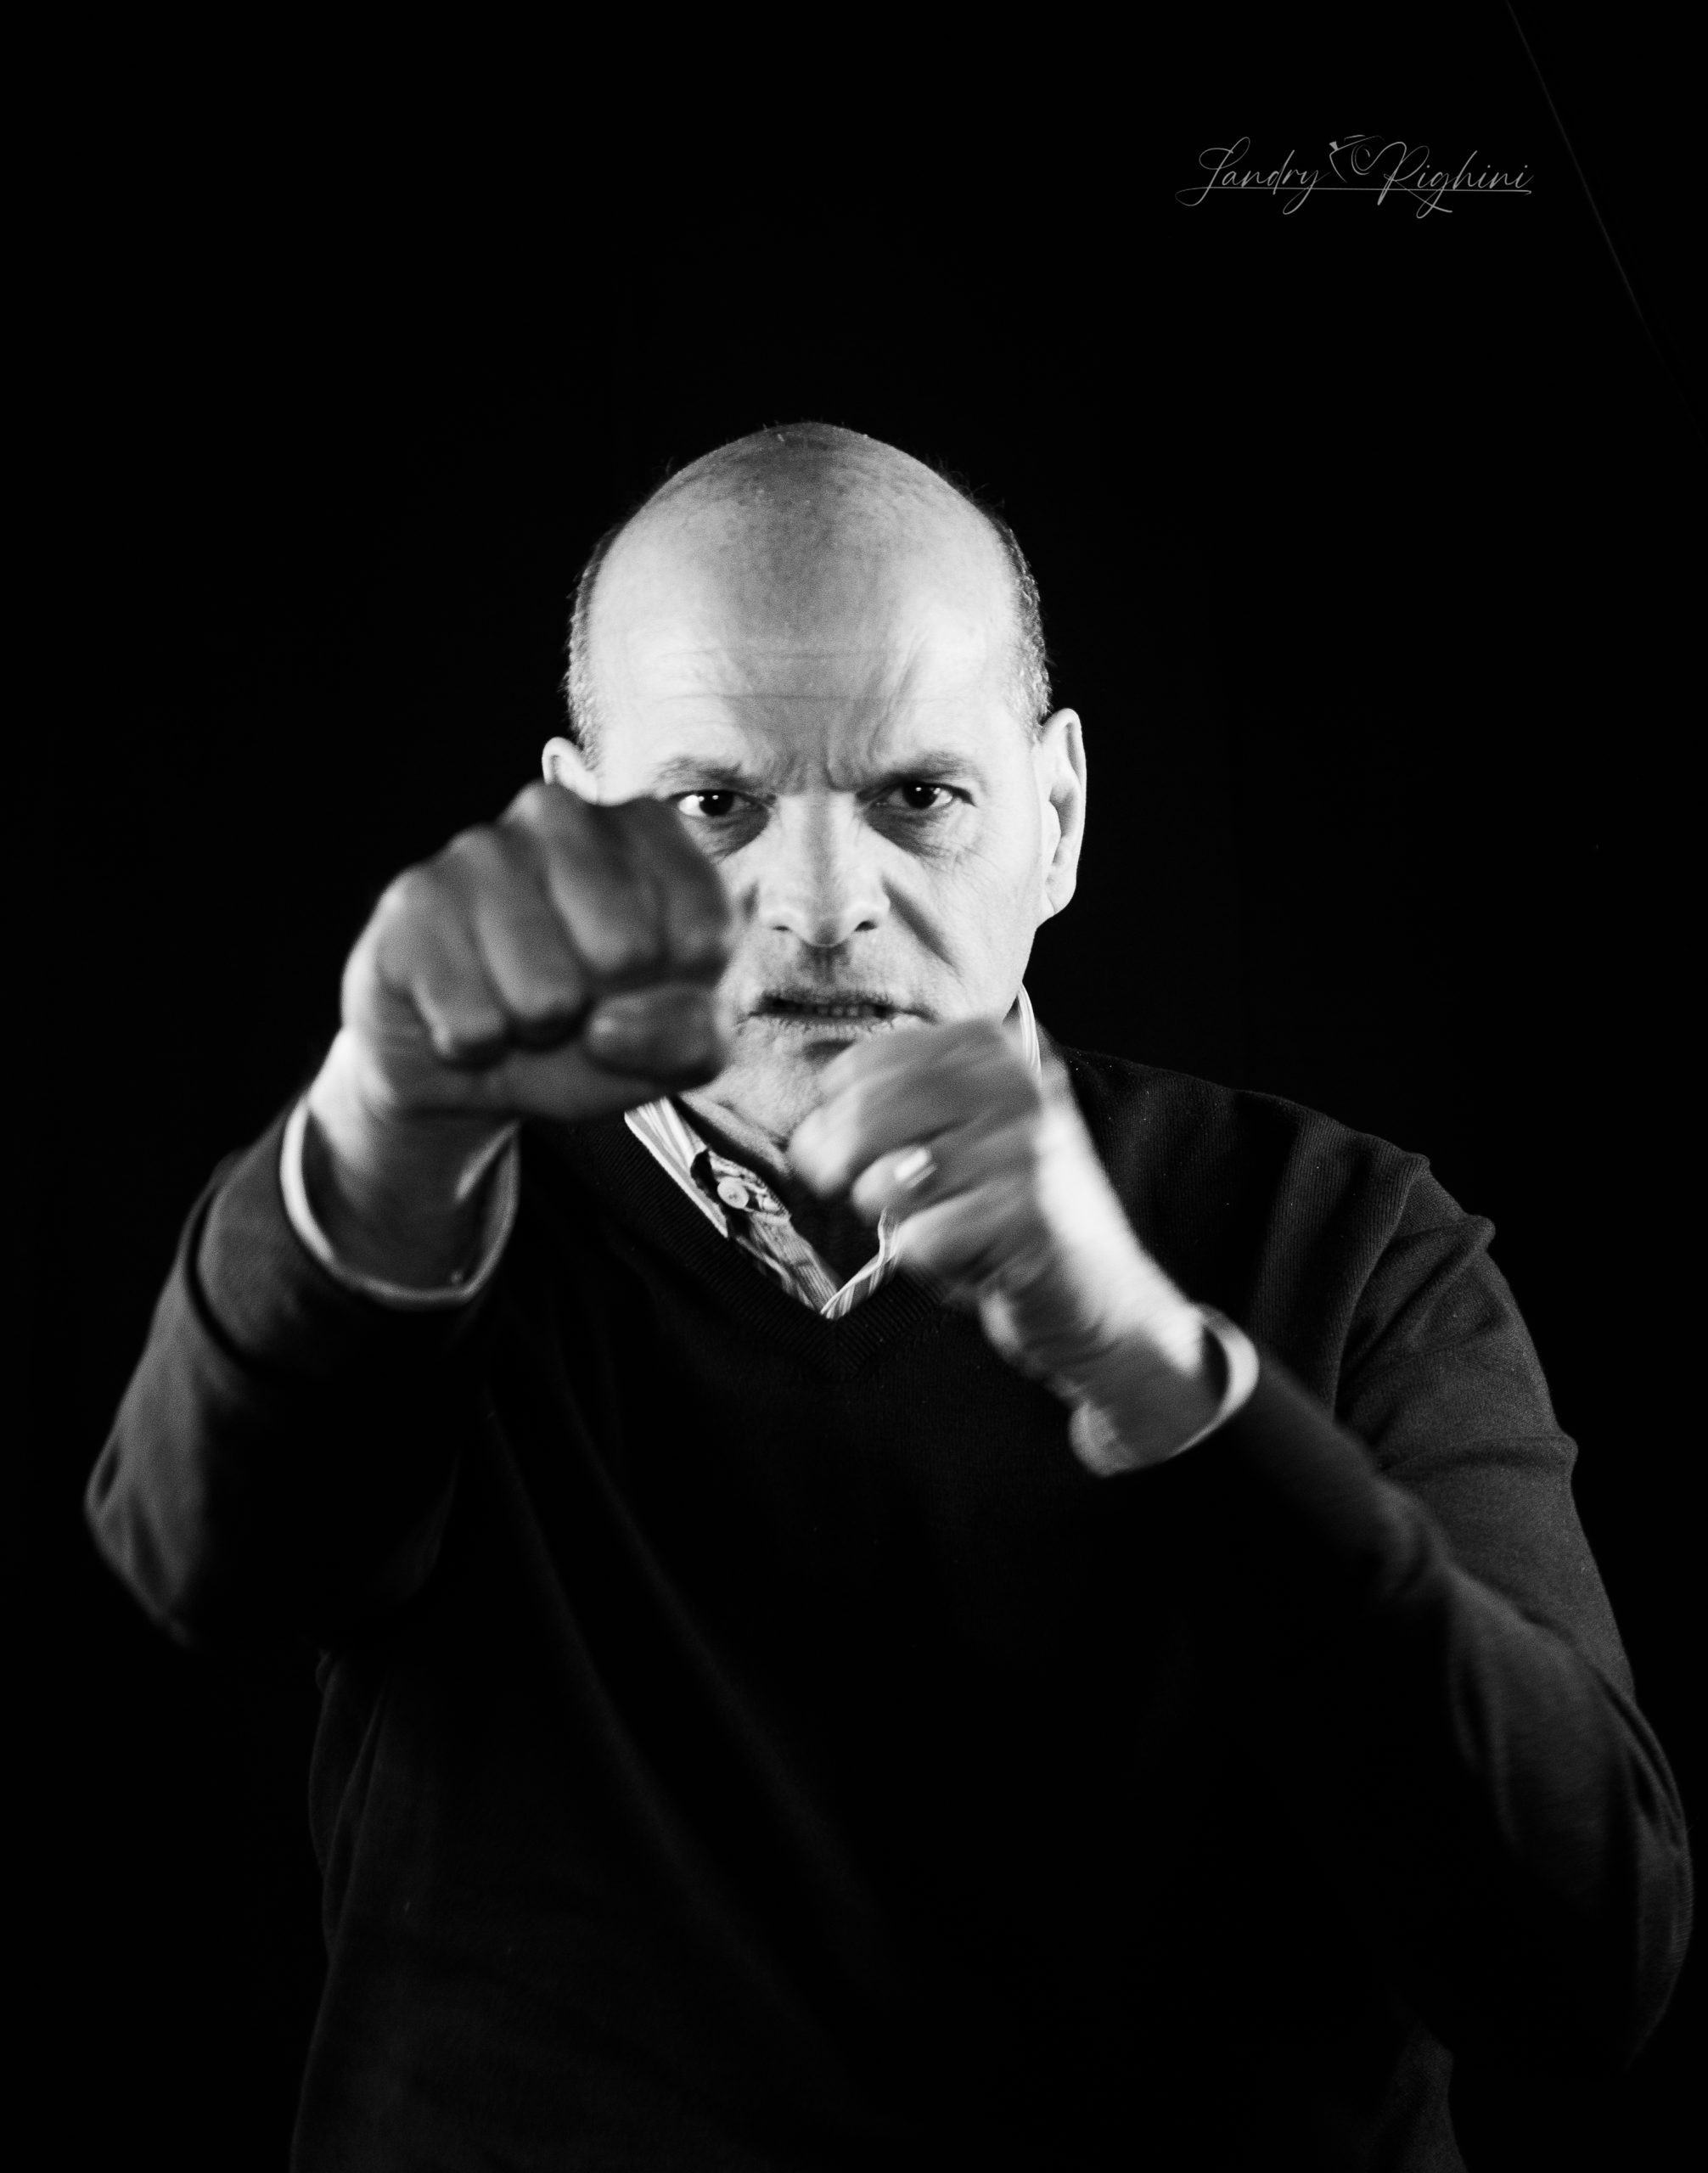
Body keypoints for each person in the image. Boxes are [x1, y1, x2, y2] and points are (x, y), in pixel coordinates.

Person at [88, 422, 1689, 2171]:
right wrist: (379, 1123)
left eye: (917, 796)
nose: (822, 904)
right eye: (714, 807)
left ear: (1056, 816)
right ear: (578, 828)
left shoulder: (1352, 1242)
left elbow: (1582, 1955)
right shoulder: (435, 1212)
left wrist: (1159, 1377)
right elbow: (200, 1565)